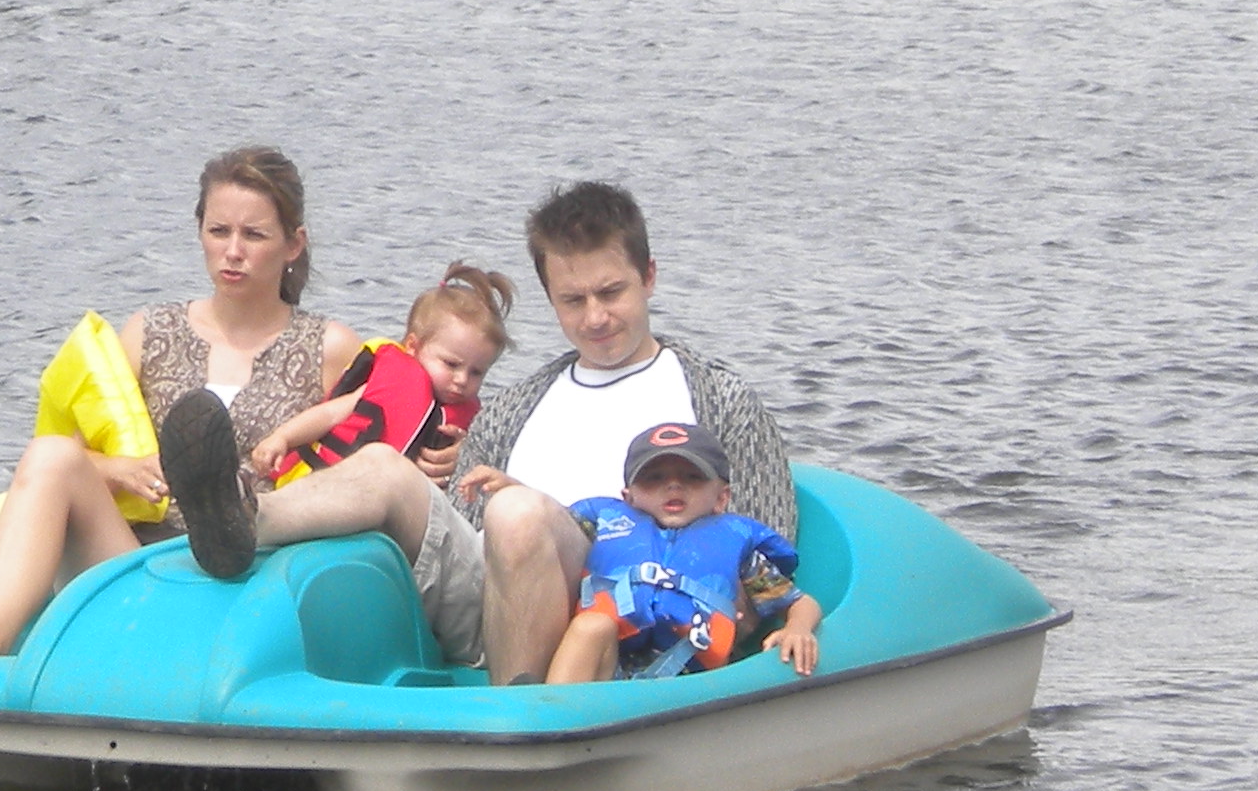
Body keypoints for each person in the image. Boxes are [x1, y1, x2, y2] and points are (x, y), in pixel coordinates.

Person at [168, 178, 795, 686]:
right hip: (500, 600)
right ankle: (241, 523)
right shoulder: (515, 405)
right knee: (389, 466)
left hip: (641, 605)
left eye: (611, 292)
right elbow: (463, 531)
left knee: (518, 509)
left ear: (649, 277)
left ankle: (520, 724)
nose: (596, 318)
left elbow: (762, 541)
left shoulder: (719, 398)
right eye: (572, 300)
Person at [0, 147, 355, 659]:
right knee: (51, 455)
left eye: (255, 235)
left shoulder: (330, 349)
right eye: (218, 230)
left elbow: (380, 458)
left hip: (256, 581)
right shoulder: (150, 331)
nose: (233, 251)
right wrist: (118, 470)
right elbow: (61, 462)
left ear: (293, 245)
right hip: (142, 568)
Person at [545, 422, 821, 684]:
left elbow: (800, 602)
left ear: (721, 498)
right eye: (654, 478)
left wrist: (798, 628)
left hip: (690, 681)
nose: (674, 486)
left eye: (692, 477)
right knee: (591, 626)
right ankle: (552, 718)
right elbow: (544, 528)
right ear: (628, 497)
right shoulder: (600, 527)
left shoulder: (739, 550)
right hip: (609, 670)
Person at [247, 263, 514, 491]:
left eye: (477, 372)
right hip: (325, 485)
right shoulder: (389, 384)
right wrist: (281, 439)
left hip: (394, 511)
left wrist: (463, 455)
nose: (462, 380)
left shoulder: (468, 424)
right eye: (451, 364)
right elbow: (329, 415)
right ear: (413, 346)